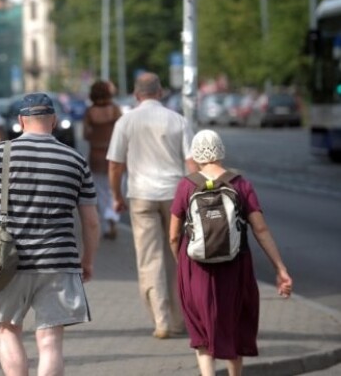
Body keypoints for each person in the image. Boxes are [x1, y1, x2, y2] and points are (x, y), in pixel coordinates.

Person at [0, 92, 100, 376]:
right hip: (59, 259)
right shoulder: (75, 160)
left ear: (21, 121)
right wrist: (87, 260)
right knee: (50, 341)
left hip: (8, 260)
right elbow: (91, 222)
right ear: (53, 120)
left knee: (8, 331)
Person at [169, 129, 293, 376]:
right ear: (221, 151)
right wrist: (280, 268)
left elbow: (173, 235)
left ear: (196, 154)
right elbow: (260, 228)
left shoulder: (186, 186)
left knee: (202, 328)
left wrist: (181, 263)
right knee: (234, 322)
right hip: (235, 265)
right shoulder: (240, 183)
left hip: (196, 268)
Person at [107, 72, 198, 339]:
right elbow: (192, 163)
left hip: (141, 196)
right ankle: (182, 320)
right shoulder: (178, 120)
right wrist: (194, 196)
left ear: (136, 95)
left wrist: (116, 196)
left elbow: (114, 165)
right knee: (179, 257)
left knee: (149, 260)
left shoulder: (125, 121)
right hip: (175, 195)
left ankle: (161, 321)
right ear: (160, 92)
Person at [83, 80, 122, 240]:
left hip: (96, 155)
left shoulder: (90, 112)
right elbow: (122, 131)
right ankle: (113, 217)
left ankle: (108, 222)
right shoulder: (115, 110)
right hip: (114, 155)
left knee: (101, 191)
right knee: (116, 189)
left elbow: (86, 135)